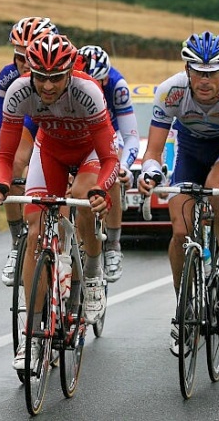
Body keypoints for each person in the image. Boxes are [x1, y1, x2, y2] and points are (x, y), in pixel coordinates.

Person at [0, 33, 119, 369]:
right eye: (40, 77)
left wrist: (102, 189)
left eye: (55, 78)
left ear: (70, 72)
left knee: (81, 199)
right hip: (52, 151)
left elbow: (109, 159)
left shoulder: (88, 92)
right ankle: (31, 335)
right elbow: (4, 154)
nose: (46, 86)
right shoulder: (19, 92)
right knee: (35, 232)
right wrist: (0, 183)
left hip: (89, 152)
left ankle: (91, 273)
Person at [136, 31, 219, 354]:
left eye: (212, 72)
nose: (205, 80)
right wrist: (150, 170)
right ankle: (184, 308)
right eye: (198, 71)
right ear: (187, 69)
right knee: (179, 231)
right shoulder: (170, 92)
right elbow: (153, 151)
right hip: (189, 150)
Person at [0, 16, 58, 286]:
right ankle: (18, 242)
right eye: (19, 57)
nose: (24, 66)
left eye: (29, 57)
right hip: (29, 121)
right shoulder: (9, 77)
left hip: (60, 128)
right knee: (14, 161)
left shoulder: (64, 73)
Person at [76, 45, 139, 282]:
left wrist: (124, 166)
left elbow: (131, 135)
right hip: (77, 136)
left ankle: (112, 244)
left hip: (108, 133)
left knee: (110, 169)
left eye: (100, 82)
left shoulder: (117, 85)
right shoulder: (69, 84)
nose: (95, 88)